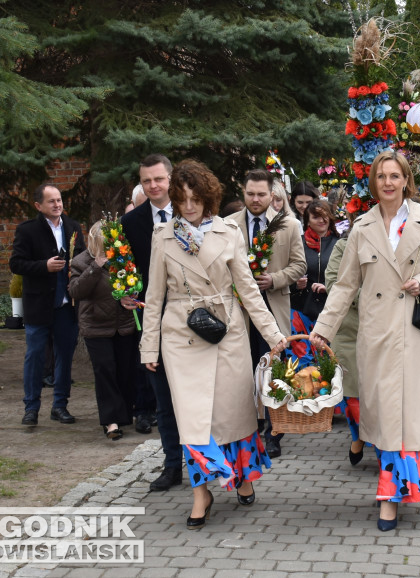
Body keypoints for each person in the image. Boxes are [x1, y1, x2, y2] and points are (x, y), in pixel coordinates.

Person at [309, 150, 420, 531]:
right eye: (381, 177)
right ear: (373, 182)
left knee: (410, 414)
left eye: (395, 176)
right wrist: (323, 328)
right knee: (384, 415)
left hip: (413, 332)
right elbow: (344, 286)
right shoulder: (361, 228)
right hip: (375, 334)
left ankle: (394, 494)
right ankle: (393, 490)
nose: (388, 183)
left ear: (406, 181)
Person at [140, 159, 287, 529]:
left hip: (227, 333)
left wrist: (274, 337)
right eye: (182, 199)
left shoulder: (229, 233)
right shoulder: (162, 236)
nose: (189, 207)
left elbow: (249, 291)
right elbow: (153, 296)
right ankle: (201, 491)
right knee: (194, 419)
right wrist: (149, 347)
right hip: (181, 336)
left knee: (232, 414)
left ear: (210, 198)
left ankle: (243, 475)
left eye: (196, 199)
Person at [225, 169, 306, 458]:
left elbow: (299, 265)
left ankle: (274, 432)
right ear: (243, 193)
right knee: (243, 370)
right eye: (250, 194)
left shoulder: (288, 224)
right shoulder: (228, 225)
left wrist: (276, 278)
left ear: (272, 195)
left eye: (261, 194)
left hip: (273, 308)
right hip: (238, 312)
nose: (256, 199)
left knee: (273, 371)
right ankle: (248, 428)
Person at [120, 154, 183, 491]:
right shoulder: (130, 224)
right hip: (154, 323)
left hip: (194, 323)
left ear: (171, 179)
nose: (153, 185)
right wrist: (124, 295)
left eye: (158, 179)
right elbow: (126, 272)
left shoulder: (193, 214)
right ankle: (173, 465)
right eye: (147, 181)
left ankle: (211, 465)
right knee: (163, 400)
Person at [10, 184, 86, 426]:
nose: (57, 204)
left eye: (59, 199)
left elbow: (82, 258)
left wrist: (76, 273)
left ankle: (60, 406)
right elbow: (17, 264)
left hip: (66, 305)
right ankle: (31, 407)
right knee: (35, 357)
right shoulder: (28, 230)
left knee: (64, 356)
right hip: (39, 306)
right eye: (51, 201)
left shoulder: (73, 227)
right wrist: (43, 266)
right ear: (38, 206)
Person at [68, 221, 139, 440]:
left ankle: (124, 415)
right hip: (96, 326)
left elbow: (134, 283)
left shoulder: (123, 259)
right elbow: (76, 291)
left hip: (123, 325)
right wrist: (95, 268)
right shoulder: (81, 261)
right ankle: (111, 421)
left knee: (125, 372)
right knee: (105, 371)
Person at [323, 220, 364, 466]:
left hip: (384, 331)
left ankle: (382, 445)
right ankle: (358, 436)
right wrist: (376, 297)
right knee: (352, 394)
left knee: (380, 395)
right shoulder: (343, 246)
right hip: (349, 331)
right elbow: (334, 284)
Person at [291, 199, 339, 321]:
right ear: (308, 222)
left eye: (325, 216)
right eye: (316, 217)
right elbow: (287, 273)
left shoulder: (339, 243)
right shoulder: (298, 243)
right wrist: (296, 285)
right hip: (301, 309)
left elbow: (347, 277)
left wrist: (328, 287)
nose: (322, 220)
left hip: (331, 309)